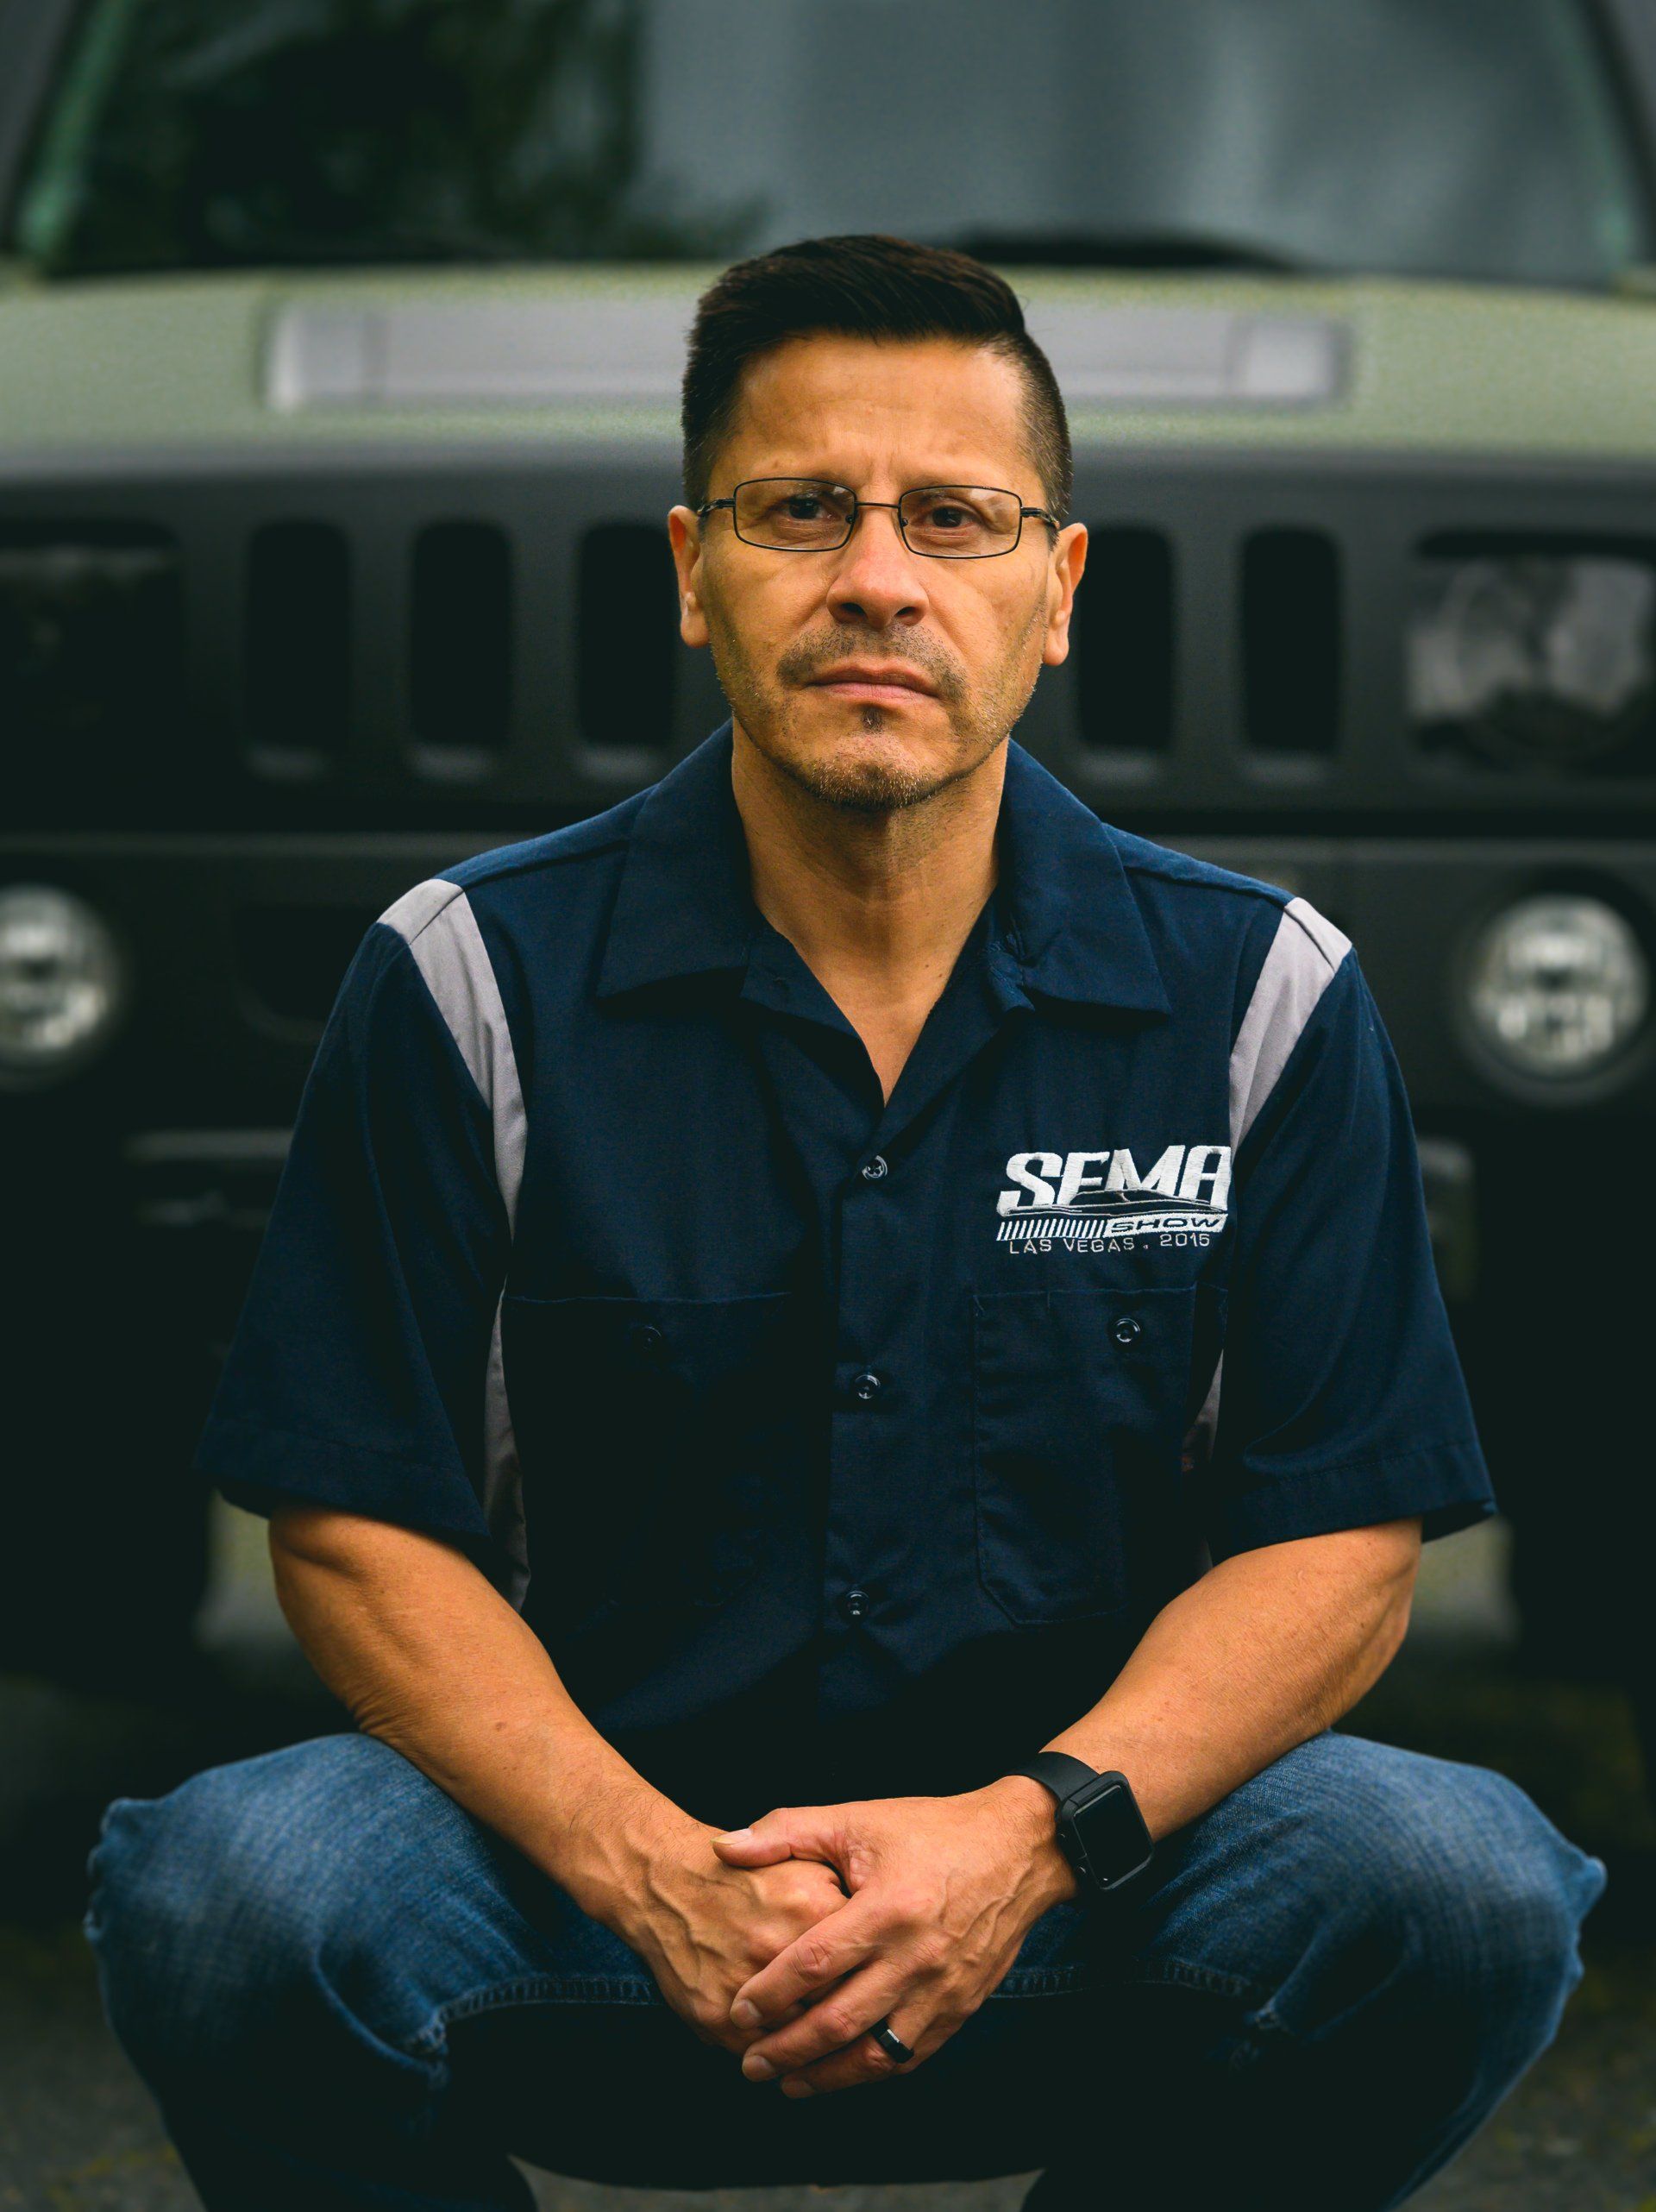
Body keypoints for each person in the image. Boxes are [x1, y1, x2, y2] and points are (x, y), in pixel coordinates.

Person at [84, 234, 1606, 2212]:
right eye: (800, 509)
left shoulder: (1262, 1000)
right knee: (228, 1894)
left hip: (1078, 1918)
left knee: (1459, 1882)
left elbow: (1339, 1552)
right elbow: (354, 1532)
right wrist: (649, 1870)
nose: (876, 575)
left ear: (1057, 593)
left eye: (955, 520)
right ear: (693, 571)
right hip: (592, 1923)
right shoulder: (468, 980)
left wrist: (1020, 1844)